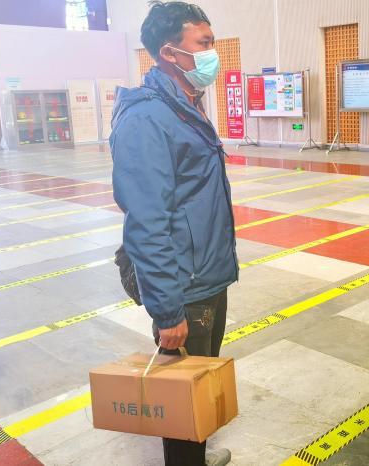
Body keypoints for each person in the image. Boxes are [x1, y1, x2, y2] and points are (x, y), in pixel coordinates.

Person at [110, 2, 237, 465]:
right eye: (204, 44)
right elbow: (147, 223)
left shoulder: (182, 107)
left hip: (207, 276)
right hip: (185, 287)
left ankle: (196, 457)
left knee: (197, 387)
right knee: (181, 396)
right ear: (169, 52)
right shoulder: (147, 119)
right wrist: (167, 312)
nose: (212, 53)